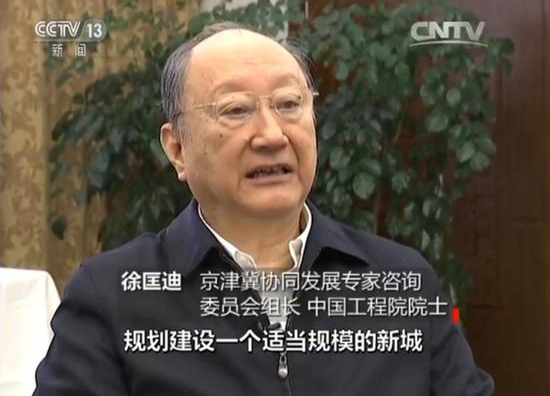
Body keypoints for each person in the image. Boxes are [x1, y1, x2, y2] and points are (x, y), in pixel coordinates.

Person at [33, 21, 494, 396]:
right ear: (177, 149)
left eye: (290, 104)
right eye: (236, 110)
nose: (273, 135)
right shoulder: (113, 296)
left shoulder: (403, 282)